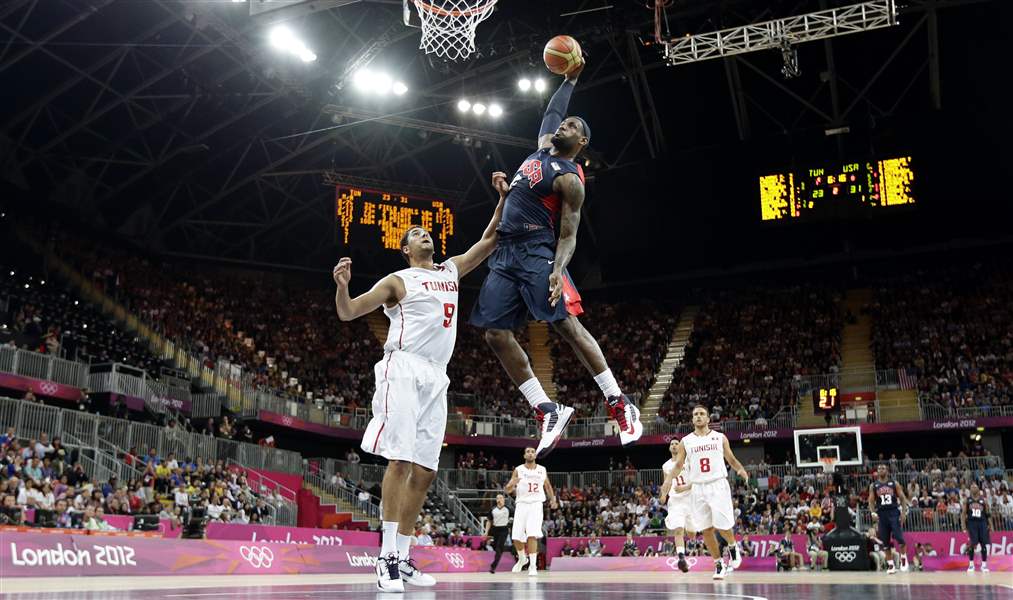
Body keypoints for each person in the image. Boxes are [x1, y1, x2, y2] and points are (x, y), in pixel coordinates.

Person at [332, 180, 506, 594]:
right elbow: (350, 312)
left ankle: (405, 559)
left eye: (426, 231)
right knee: (400, 461)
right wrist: (341, 286)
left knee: (426, 471)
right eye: (414, 235)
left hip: (437, 374)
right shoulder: (398, 280)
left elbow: (489, 240)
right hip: (403, 368)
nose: (423, 234)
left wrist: (502, 199)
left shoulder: (449, 270)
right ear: (407, 250)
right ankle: (386, 556)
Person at [468, 53, 643, 458]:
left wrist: (558, 269)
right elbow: (553, 109)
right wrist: (570, 79)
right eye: (564, 123)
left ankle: (619, 401)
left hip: (537, 253)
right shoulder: (542, 147)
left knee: (568, 328)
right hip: (506, 253)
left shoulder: (570, 179)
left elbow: (569, 234)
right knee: (494, 333)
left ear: (581, 143)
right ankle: (547, 408)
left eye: (573, 127)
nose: (563, 125)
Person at [673, 405, 749, 580]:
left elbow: (731, 458)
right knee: (706, 530)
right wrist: (668, 481)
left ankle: (732, 546)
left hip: (717, 485)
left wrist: (740, 470)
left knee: (722, 526)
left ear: (708, 419)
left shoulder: (719, 438)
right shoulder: (686, 441)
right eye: (695, 414)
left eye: (702, 414)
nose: (698, 417)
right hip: (698, 487)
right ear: (692, 420)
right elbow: (678, 465)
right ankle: (718, 564)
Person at [504, 447, 558, 576]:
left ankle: (532, 566)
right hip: (521, 504)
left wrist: (553, 499)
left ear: (535, 455)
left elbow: (548, 486)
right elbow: (507, 490)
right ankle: (522, 558)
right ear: (524, 455)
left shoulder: (542, 470)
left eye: (532, 452)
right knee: (516, 536)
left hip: (535, 504)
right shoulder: (518, 470)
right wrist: (511, 483)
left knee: (532, 534)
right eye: (528, 452)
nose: (530, 453)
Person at [659, 438, 695, 572]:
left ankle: (692, 540)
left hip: (690, 499)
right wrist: (663, 495)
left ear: (680, 447)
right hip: (676, 501)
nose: (674, 445)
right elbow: (666, 483)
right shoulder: (666, 465)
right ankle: (681, 558)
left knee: (691, 534)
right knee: (679, 529)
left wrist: (685, 488)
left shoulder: (689, 460)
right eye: (672, 444)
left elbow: (697, 480)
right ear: (669, 448)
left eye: (676, 444)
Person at [868, 464, 910, 574]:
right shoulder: (874, 485)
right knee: (885, 542)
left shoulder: (894, 483)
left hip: (893, 513)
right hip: (882, 515)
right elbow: (871, 501)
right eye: (879, 469)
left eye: (882, 468)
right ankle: (891, 565)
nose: (880, 470)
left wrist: (904, 512)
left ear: (887, 471)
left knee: (900, 538)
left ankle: (904, 559)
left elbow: (902, 498)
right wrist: (872, 512)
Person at [962, 483, 990, 572]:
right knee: (972, 544)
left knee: (983, 544)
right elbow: (963, 514)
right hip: (972, 523)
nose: (973, 488)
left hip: (982, 523)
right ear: (970, 490)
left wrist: (990, 525)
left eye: (975, 487)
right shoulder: (967, 500)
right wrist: (963, 526)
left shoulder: (983, 500)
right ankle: (971, 565)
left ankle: (984, 565)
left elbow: (988, 514)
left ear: (978, 489)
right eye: (971, 487)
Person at [485, 493, 512, 573]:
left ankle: (493, 567)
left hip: (504, 529)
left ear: (504, 499)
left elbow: (514, 517)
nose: (499, 499)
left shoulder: (508, 509)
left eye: (500, 498)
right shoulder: (493, 509)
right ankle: (500, 552)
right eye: (497, 498)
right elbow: (489, 521)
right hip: (495, 529)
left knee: (499, 548)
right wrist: (486, 532)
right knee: (495, 546)